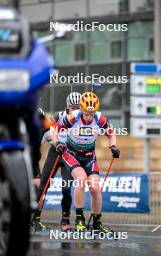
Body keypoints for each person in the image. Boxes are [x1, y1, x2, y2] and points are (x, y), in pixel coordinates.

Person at [51, 91, 120, 233]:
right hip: (71, 154)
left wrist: (113, 146)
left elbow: (111, 133)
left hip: (89, 156)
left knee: (95, 188)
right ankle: (80, 219)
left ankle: (97, 222)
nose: (89, 117)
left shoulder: (99, 118)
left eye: (92, 114)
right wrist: (57, 143)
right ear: (81, 110)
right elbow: (54, 129)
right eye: (86, 114)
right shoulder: (73, 117)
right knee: (81, 180)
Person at [31, 92, 81, 232]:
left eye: (77, 107)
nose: (74, 110)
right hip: (55, 153)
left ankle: (65, 220)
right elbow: (49, 129)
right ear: (67, 106)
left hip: (69, 155)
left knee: (66, 188)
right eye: (72, 107)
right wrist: (55, 142)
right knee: (42, 187)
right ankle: (35, 218)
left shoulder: (81, 119)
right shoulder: (59, 115)